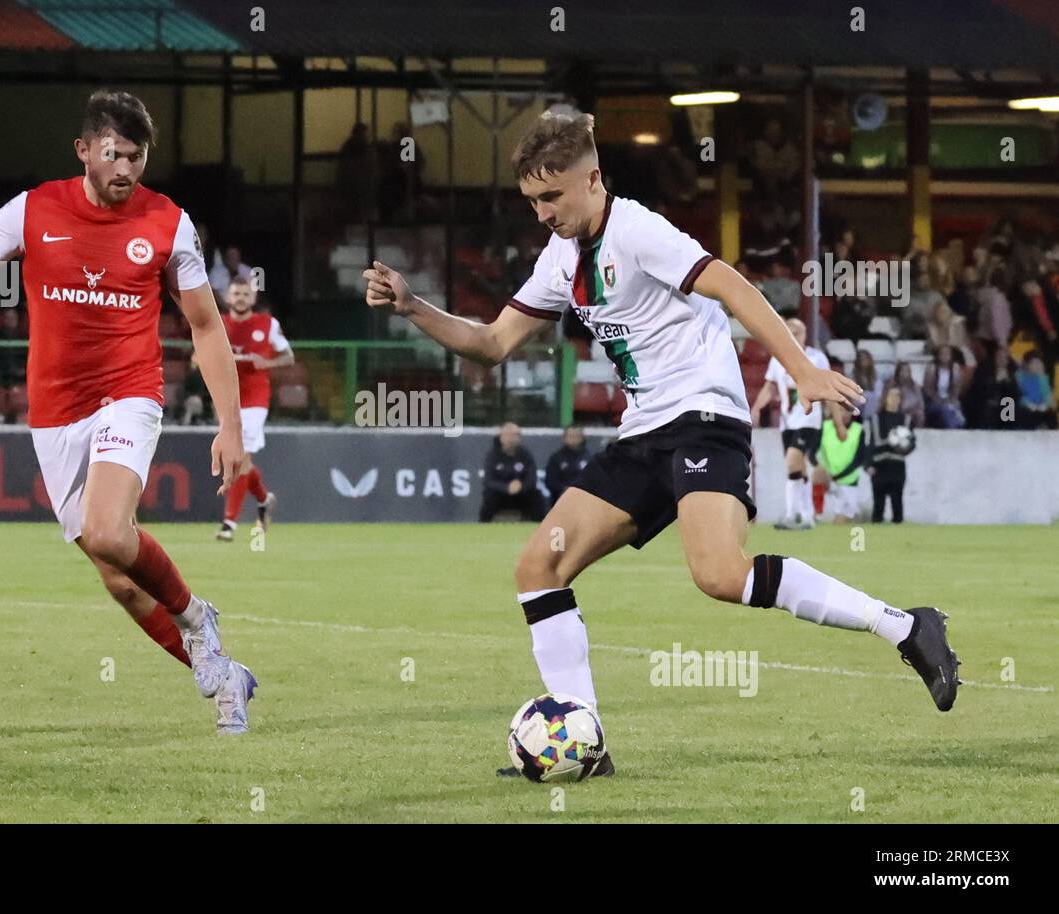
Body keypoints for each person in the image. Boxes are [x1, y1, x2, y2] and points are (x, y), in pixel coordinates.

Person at [364, 111, 960, 782]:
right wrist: (414, 306)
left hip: (705, 418)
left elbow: (732, 285)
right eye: (532, 200)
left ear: (593, 179)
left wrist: (802, 371)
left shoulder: (640, 232)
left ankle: (906, 628)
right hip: (643, 433)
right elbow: (492, 343)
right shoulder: (560, 258)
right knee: (538, 568)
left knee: (719, 575)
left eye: (551, 197)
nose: (541, 213)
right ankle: (585, 745)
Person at [0, 89, 256, 733]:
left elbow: (207, 327)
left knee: (105, 531)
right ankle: (223, 674)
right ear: (84, 150)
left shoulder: (168, 222)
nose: (126, 169)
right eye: (114, 154)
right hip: (54, 412)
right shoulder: (32, 210)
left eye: (137, 156)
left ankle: (194, 616)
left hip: (129, 393)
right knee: (121, 582)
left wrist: (229, 425)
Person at [209, 275, 293, 541]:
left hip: (256, 400)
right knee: (239, 459)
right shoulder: (218, 324)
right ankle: (264, 499)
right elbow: (199, 357)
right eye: (236, 294)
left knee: (240, 455)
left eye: (246, 294)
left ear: (253, 297)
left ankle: (229, 524)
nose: (241, 298)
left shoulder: (267, 324)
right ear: (228, 297)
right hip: (227, 400)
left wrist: (264, 363)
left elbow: (288, 357)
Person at [749, 317, 831, 530]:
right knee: (797, 468)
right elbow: (770, 387)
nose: (795, 336)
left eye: (798, 332)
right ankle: (805, 516)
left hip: (809, 419)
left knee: (793, 461)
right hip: (787, 422)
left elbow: (827, 384)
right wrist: (756, 408)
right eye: (791, 332)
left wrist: (833, 412)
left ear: (805, 334)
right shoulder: (777, 360)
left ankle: (790, 514)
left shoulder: (816, 357)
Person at [811, 400, 867, 524]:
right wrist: (820, 468)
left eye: (847, 411)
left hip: (848, 481)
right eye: (840, 410)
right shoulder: (825, 427)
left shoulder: (858, 430)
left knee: (844, 519)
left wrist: (836, 476)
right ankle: (817, 513)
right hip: (828, 480)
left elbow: (859, 459)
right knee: (817, 474)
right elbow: (811, 453)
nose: (844, 414)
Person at [479, 422, 547, 522]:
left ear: (519, 438)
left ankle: (540, 528)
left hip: (521, 494)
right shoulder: (492, 455)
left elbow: (531, 478)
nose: (510, 439)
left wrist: (521, 486)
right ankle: (483, 526)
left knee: (537, 496)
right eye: (507, 435)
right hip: (500, 494)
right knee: (489, 497)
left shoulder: (525, 454)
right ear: (500, 437)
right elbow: (488, 481)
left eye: (514, 435)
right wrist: (506, 487)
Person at [867, 386, 915, 523]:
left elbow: (912, 443)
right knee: (878, 506)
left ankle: (898, 536)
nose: (895, 399)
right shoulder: (875, 419)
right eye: (891, 395)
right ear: (886, 398)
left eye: (897, 396)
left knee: (897, 503)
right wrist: (868, 465)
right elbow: (868, 445)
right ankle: (876, 535)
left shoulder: (906, 419)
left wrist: (905, 447)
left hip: (897, 466)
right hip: (879, 467)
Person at [922, 344, 966, 429]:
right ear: (938, 355)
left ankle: (956, 426)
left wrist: (950, 400)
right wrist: (940, 400)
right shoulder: (931, 368)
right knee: (945, 409)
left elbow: (957, 389)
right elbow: (928, 390)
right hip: (934, 402)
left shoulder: (955, 368)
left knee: (952, 408)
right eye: (942, 353)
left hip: (951, 401)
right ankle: (952, 429)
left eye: (947, 354)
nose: (945, 356)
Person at [544, 425, 589, 505]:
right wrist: (564, 489)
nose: (574, 439)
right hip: (562, 495)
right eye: (571, 436)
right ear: (564, 438)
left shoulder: (589, 457)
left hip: (585, 495)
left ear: (582, 438)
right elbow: (550, 481)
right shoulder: (556, 458)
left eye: (577, 436)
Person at [1016, 351, 1056, 430]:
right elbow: (1018, 397)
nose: (1038, 366)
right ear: (1027, 364)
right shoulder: (1019, 377)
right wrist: (1031, 405)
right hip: (1026, 409)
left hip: (1040, 409)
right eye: (1035, 363)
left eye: (1039, 363)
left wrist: (1044, 405)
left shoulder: (1042, 378)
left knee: (1050, 413)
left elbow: (1048, 397)